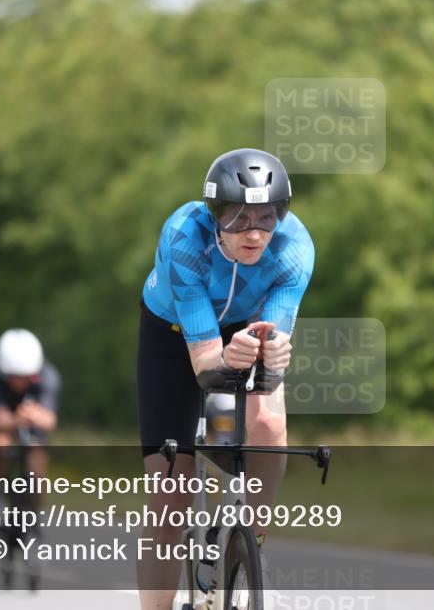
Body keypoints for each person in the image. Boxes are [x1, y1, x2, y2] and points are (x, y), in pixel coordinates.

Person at [137, 148, 314, 609]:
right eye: (238, 220)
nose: (254, 233)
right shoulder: (184, 238)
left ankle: (250, 542)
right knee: (169, 500)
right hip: (175, 336)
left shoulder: (295, 248)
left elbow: (272, 350)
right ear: (215, 215)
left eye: (266, 218)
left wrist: (274, 353)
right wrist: (228, 359)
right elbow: (205, 365)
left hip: (243, 326)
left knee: (270, 425)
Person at [0, 329, 60, 510]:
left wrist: (35, 416)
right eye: (15, 378)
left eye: (25, 378)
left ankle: (33, 511)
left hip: (28, 416)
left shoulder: (48, 375)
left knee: (37, 458)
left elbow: (50, 420)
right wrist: (17, 420)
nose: (20, 383)